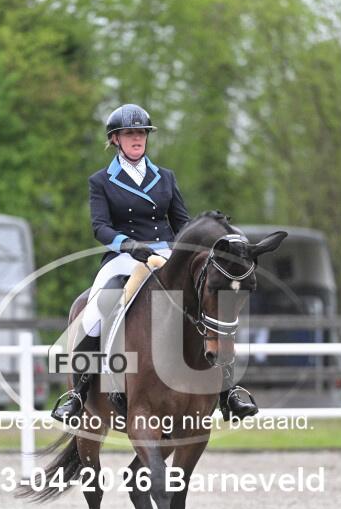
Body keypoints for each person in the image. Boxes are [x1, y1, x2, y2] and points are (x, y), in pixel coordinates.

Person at [52, 103, 258, 423]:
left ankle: (228, 390)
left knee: (209, 305)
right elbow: (100, 227)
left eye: (141, 133)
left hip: (166, 256)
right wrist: (129, 245)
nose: (137, 139)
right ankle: (78, 392)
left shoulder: (165, 177)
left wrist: (187, 250)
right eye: (129, 133)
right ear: (116, 139)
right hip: (123, 257)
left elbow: (182, 223)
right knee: (95, 311)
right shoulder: (101, 181)